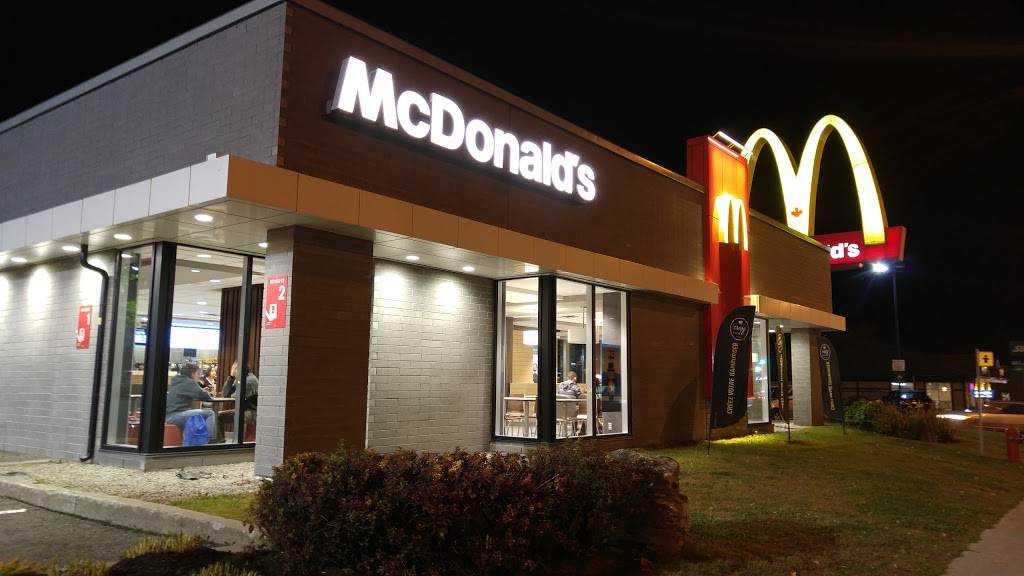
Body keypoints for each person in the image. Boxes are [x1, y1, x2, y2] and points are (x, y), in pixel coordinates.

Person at [165, 364, 217, 443]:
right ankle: (208, 439)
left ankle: (199, 439)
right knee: (210, 413)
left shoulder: (177, 380)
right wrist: (208, 393)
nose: (198, 376)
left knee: (199, 413)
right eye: (197, 373)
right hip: (177, 415)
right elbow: (205, 397)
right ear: (193, 373)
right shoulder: (189, 382)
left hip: (169, 416)